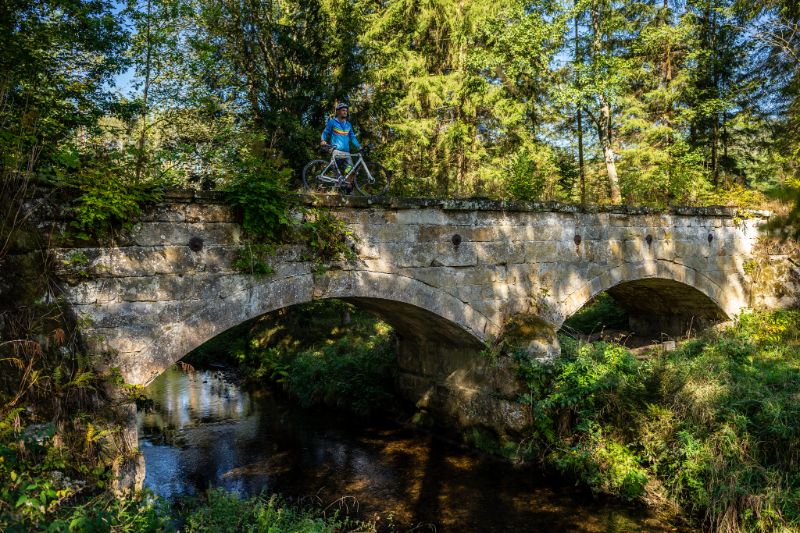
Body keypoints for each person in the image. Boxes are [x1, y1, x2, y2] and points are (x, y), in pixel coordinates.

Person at [320, 102, 361, 191]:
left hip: (346, 153)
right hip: (336, 151)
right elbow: (325, 132)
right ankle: (334, 190)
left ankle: (347, 188)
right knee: (337, 175)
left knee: (351, 171)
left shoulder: (348, 124)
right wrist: (323, 140)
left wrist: (359, 146)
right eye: (343, 110)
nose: (345, 112)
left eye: (346, 110)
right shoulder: (332, 122)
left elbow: (352, 137)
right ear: (338, 112)